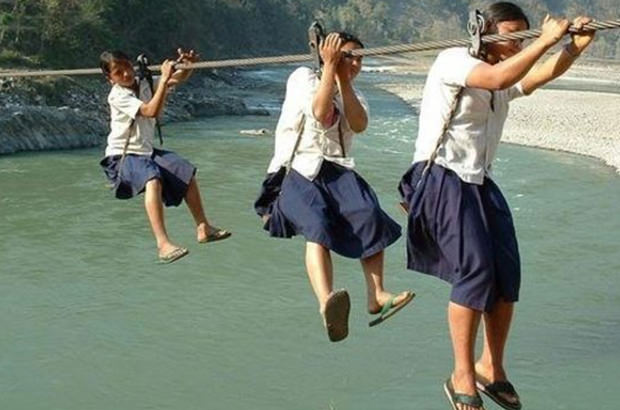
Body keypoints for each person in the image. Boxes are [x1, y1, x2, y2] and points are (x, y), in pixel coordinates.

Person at [398, 3, 595, 409]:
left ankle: (491, 367)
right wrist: (544, 39)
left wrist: (572, 49)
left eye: (522, 34)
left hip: (480, 181)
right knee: (475, 272)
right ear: (482, 31)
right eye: (509, 33)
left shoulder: (508, 66)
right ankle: (461, 373)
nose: (516, 42)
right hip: (442, 176)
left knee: (506, 277)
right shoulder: (455, 61)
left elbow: (533, 77)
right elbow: (497, 77)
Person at [255, 32, 413, 342]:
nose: (355, 64)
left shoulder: (355, 94)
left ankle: (376, 295)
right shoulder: (302, 77)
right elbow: (319, 113)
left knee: (369, 215)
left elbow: (358, 124)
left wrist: (343, 80)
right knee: (318, 227)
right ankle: (326, 301)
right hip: (297, 169)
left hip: (337, 170)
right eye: (348, 56)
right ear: (329, 55)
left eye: (359, 59)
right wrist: (330, 70)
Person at [99, 49, 231, 264]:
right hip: (122, 156)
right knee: (152, 179)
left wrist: (186, 66)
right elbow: (151, 111)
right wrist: (162, 81)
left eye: (127, 67)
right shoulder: (118, 95)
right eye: (118, 72)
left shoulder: (144, 82)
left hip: (146, 152)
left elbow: (176, 79)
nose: (125, 74)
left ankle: (203, 227)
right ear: (109, 78)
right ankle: (163, 244)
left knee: (184, 171)